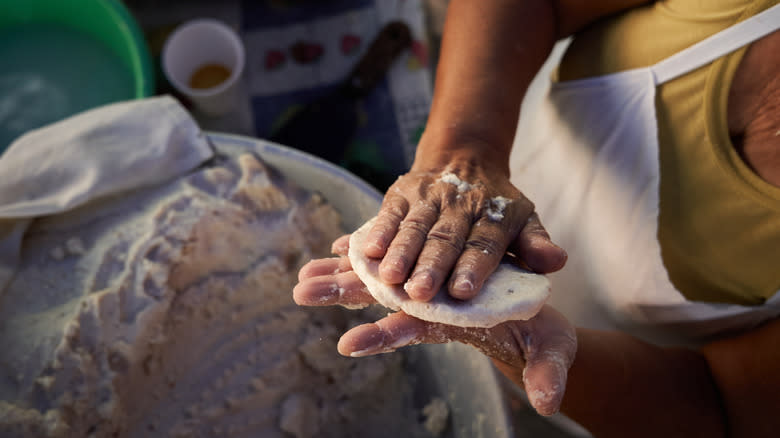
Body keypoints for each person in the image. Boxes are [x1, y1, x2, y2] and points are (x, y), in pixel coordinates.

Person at [294, 1, 780, 437]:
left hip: (601, 380)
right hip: (492, 128)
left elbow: (721, 407)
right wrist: (466, 150)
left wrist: (516, 344)